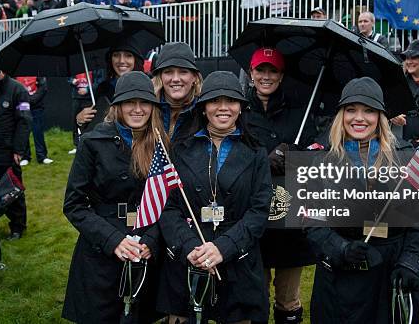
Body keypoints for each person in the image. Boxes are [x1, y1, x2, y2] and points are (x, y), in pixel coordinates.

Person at [305, 77, 419, 323]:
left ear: (380, 116)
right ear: (341, 115)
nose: (359, 118)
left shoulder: (405, 158)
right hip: (342, 273)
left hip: (392, 269)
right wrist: (340, 248)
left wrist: (412, 260)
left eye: (369, 110)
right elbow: (312, 221)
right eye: (351, 110)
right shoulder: (321, 162)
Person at [157, 71, 272, 323]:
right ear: (203, 108)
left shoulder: (256, 153)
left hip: (238, 262)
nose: (223, 108)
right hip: (189, 259)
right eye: (214, 101)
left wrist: (223, 248)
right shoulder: (179, 150)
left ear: (241, 108)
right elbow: (169, 208)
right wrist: (190, 248)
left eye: (230, 101)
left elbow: (259, 211)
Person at [63, 72, 165, 323]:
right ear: (118, 105)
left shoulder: (161, 144)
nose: (138, 109)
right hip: (100, 248)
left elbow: (168, 201)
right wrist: (113, 240)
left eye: (145, 102)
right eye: (131, 102)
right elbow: (74, 205)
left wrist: (152, 240)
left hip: (144, 246)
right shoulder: (92, 142)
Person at [242, 48, 317, 324]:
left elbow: (317, 152)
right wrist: (265, 159)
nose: (266, 76)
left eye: (273, 70)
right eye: (261, 70)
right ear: (251, 73)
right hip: (253, 214)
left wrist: (292, 154)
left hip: (290, 218)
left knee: (288, 298)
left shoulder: (301, 111)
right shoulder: (240, 110)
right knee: (254, 293)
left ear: (281, 75)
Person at [0, 71, 32, 240]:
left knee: (13, 190)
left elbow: (25, 120)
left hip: (9, 150)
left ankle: (18, 227)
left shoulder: (18, 89)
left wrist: (18, 150)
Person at [75, 41, 144, 134]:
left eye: (128, 55)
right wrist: (79, 120)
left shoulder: (147, 87)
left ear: (136, 59)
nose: (121, 61)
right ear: (110, 59)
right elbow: (90, 127)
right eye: (116, 55)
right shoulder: (103, 89)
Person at [151, 42, 202, 143]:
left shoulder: (204, 112)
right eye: (168, 72)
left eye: (183, 71)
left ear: (194, 77)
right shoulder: (146, 110)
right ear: (160, 77)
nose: (175, 79)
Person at [16, 77, 53, 166]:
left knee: (38, 131)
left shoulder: (38, 72)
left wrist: (32, 99)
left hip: (36, 105)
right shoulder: (16, 74)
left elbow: (43, 88)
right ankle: (25, 157)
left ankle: (42, 156)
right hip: (22, 105)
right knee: (23, 131)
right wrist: (25, 99)